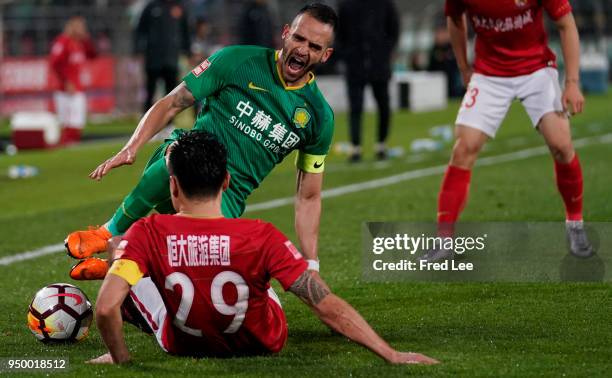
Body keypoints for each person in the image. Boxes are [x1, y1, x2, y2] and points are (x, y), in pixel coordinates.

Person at [88, 130, 438, 365]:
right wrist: (389, 353)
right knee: (263, 276)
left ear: (173, 186)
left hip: (182, 343)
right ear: (226, 181)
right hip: (261, 341)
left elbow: (104, 309)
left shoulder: (147, 231)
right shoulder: (261, 234)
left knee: (120, 248)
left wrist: (123, 361)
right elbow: (324, 304)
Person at [66, 4, 337, 281]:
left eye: (314, 46)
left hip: (227, 197)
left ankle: (121, 260)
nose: (303, 50)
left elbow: (309, 195)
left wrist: (311, 264)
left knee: (200, 275)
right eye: (299, 38)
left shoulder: (319, 117)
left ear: (325, 55)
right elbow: (173, 102)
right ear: (286, 33)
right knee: (181, 155)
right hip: (184, 164)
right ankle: (108, 232)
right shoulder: (237, 61)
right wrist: (131, 147)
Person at [424, 0, 591, 261]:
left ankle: (575, 225)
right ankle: (444, 239)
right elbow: (455, 20)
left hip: (536, 70)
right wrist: (463, 67)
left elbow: (566, 24)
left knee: (561, 145)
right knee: (464, 148)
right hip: (490, 75)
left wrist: (571, 82)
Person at [337, 0, 400, 162]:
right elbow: (339, 32)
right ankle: (355, 148)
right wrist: (347, 54)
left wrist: (385, 51)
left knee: (383, 104)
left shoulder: (384, 3)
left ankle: (381, 145)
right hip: (355, 64)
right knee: (355, 107)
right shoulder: (346, 4)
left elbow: (394, 29)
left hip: (379, 64)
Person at [134, 0, 191, 113]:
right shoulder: (151, 7)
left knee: (171, 92)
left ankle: (169, 123)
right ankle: (145, 120)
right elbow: (140, 30)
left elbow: (185, 32)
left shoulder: (179, 7)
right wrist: (139, 49)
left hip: (171, 58)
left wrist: (187, 51)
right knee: (150, 91)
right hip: (153, 58)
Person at [49, 15, 97, 145]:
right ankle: (66, 144)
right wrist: (66, 81)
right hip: (65, 89)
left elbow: (93, 54)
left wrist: (87, 39)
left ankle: (70, 144)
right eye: (79, 26)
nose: (82, 29)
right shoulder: (63, 42)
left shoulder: (79, 44)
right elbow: (55, 63)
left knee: (77, 121)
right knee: (66, 121)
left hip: (77, 88)